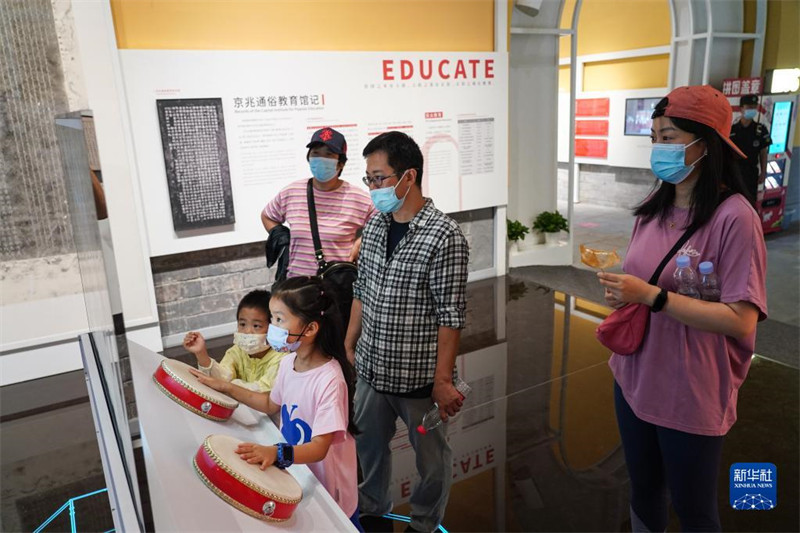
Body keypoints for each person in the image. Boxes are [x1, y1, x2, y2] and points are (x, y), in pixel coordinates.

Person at [597, 85, 767, 532]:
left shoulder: (734, 217)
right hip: (634, 377)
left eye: (669, 136)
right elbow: (645, 279)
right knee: (643, 491)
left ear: (705, 144)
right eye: (654, 137)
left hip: (690, 389)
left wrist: (653, 297)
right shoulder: (651, 210)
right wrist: (626, 293)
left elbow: (741, 317)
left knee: (694, 510)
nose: (658, 148)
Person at [345, 131, 470, 533]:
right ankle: (373, 509)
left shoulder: (444, 235)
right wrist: (350, 339)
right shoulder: (377, 226)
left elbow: (450, 314)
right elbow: (362, 289)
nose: (373, 188)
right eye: (369, 179)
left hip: (418, 379)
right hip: (372, 369)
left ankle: (423, 522)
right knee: (369, 450)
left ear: (408, 176)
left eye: (379, 178)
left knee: (432, 462)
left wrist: (443, 381)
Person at [192, 277, 361, 530]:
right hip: (301, 474)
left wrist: (276, 453)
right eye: (272, 319)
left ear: (311, 328)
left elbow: (319, 448)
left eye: (279, 320)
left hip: (330, 489)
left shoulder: (330, 380)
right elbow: (271, 403)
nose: (273, 327)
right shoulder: (287, 362)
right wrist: (226, 387)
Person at [261, 127, 376, 279]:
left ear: (340, 163)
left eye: (329, 154)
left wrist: (361, 241)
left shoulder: (357, 197)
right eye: (316, 153)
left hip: (336, 288)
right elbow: (268, 216)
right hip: (296, 289)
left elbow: (385, 221)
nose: (321, 159)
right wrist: (281, 236)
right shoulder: (292, 192)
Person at [183, 290, 284, 392]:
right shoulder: (236, 351)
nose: (247, 331)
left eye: (256, 326)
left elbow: (264, 390)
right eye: (242, 324)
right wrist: (201, 353)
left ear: (273, 327)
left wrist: (229, 385)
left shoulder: (281, 358)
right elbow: (220, 378)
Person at [730, 94, 772, 202]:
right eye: (749, 107)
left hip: (751, 172)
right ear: (741, 108)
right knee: (733, 200)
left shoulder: (760, 130)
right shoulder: (732, 130)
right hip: (734, 172)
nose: (752, 110)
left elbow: (763, 152)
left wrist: (763, 172)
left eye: (754, 107)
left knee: (750, 201)